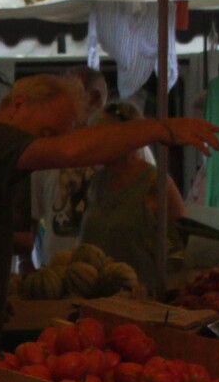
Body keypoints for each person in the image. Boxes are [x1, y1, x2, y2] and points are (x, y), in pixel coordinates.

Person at [0, 74, 219, 357]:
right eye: (47, 132)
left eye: (57, 135)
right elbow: (70, 151)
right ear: (18, 105)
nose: (47, 144)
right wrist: (161, 129)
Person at [76, 122, 187, 295]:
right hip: (94, 294)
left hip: (139, 297)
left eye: (103, 138)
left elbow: (179, 250)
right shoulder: (97, 180)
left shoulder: (156, 183)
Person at [30, 65, 111, 268]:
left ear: (94, 98)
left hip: (109, 270)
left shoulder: (129, 147)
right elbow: (30, 217)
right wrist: (24, 262)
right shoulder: (47, 149)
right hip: (57, 272)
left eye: (66, 99)